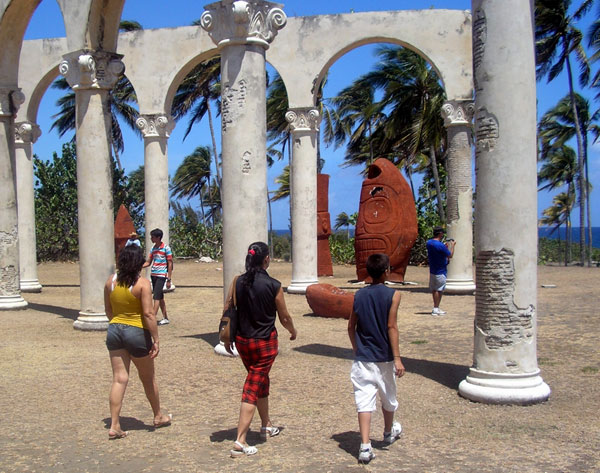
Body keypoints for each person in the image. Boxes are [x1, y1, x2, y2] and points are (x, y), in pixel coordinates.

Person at [224, 241, 297, 457]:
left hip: (243, 342)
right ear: (266, 259)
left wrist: (227, 337)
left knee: (261, 380)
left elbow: (228, 308)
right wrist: (293, 331)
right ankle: (240, 440)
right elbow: (284, 316)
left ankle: (266, 424)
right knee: (252, 387)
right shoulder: (274, 285)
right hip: (264, 343)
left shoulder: (237, 281)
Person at [104, 245, 172, 439]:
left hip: (115, 330)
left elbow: (108, 310)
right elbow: (149, 313)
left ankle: (114, 424)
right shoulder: (142, 284)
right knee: (148, 378)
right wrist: (156, 338)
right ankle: (158, 416)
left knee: (119, 378)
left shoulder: (111, 281)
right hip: (136, 332)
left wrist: (117, 324)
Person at [348, 253, 405, 464]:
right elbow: (391, 326)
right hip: (384, 357)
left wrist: (356, 348)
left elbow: (351, 327)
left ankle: (364, 445)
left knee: (364, 400)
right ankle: (388, 432)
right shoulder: (394, 295)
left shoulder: (359, 296)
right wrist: (397, 358)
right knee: (388, 397)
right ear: (386, 271)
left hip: (363, 358)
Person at [142, 228, 173, 326]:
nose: (151, 238)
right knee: (160, 297)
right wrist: (138, 266)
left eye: (153, 237)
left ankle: (152, 317)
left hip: (161, 275)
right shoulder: (153, 248)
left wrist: (169, 278)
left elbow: (170, 263)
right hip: (153, 274)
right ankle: (165, 317)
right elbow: (148, 262)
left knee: (156, 296)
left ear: (158, 237)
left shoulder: (166, 248)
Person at [426, 226, 456, 316]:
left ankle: (436, 307)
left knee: (434, 289)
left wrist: (444, 247)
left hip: (433, 269)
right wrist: (452, 246)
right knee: (439, 290)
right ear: (440, 234)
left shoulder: (429, 243)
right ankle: (436, 308)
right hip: (441, 270)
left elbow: (438, 250)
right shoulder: (440, 245)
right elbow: (450, 255)